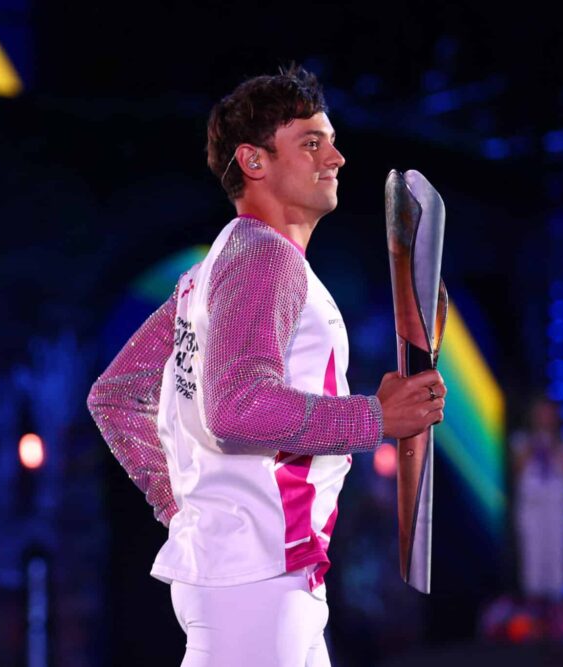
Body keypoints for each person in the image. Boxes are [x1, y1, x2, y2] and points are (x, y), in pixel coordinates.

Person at [87, 65, 446, 667]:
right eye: (311, 142)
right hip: (254, 578)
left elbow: (117, 395)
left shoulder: (211, 271)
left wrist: (187, 506)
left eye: (329, 140)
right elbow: (235, 408)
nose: (336, 157)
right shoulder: (263, 261)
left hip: (261, 572)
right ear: (255, 162)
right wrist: (374, 418)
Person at [511, 396, 563, 607]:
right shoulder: (521, 440)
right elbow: (518, 469)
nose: (544, 417)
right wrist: (535, 442)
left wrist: (552, 444)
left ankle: (558, 603)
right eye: (541, 413)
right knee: (533, 555)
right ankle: (534, 604)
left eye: (548, 413)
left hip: (556, 506)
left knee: (556, 554)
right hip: (532, 505)